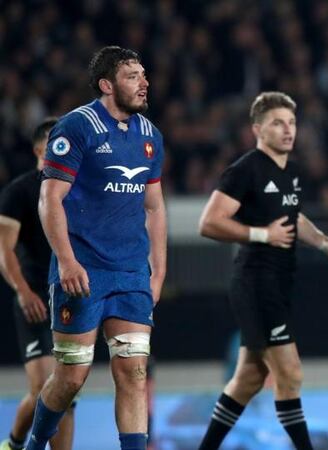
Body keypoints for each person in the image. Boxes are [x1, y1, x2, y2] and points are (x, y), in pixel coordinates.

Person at [27, 46, 167, 450]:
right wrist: (67, 261)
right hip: (83, 272)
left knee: (134, 372)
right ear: (107, 85)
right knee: (71, 376)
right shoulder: (77, 126)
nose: (144, 83)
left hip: (130, 274)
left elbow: (155, 207)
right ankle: (36, 443)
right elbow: (49, 200)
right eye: (132, 76)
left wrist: (158, 271)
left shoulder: (149, 135)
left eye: (144, 74)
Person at [197, 91, 328, 450]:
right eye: (278, 123)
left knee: (247, 379)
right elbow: (210, 222)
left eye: (291, 122)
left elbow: (293, 217)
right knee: (289, 373)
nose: (288, 130)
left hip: (278, 282)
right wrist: (262, 234)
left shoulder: (290, 171)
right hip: (256, 282)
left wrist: (326, 244)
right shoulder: (245, 170)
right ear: (258, 129)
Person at [0, 118, 75, 450]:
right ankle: (15, 443)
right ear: (38, 151)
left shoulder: (76, 187)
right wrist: (23, 291)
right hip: (35, 302)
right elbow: (4, 248)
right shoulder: (19, 191)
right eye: (55, 145)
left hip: (70, 300)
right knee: (46, 386)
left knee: (68, 390)